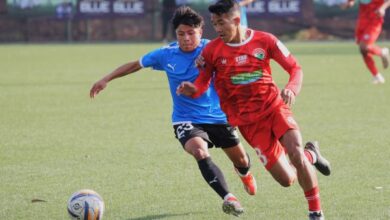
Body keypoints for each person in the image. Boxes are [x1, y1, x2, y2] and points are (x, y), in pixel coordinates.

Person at [90, 6, 256, 217]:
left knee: (241, 160)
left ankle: (244, 173)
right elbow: (135, 64)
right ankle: (228, 197)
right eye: (181, 34)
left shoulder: (213, 49)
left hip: (219, 116)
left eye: (191, 33)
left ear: (200, 32)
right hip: (185, 119)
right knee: (199, 151)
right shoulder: (166, 54)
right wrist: (106, 79)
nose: (186, 38)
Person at [176, 1, 331, 219]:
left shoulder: (266, 40)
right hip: (248, 123)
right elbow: (202, 83)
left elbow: (295, 68)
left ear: (236, 20)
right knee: (286, 180)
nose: (217, 29)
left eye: (221, 23)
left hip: (275, 108)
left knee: (294, 153)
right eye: (214, 24)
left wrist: (291, 90)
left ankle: (315, 212)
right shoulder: (212, 51)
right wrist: (193, 89)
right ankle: (311, 155)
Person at [342, 0, 390, 84]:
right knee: (363, 50)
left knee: (365, 46)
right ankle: (377, 76)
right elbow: (351, 2)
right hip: (362, 22)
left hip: (375, 21)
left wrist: (382, 8)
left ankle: (382, 52)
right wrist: (349, 4)